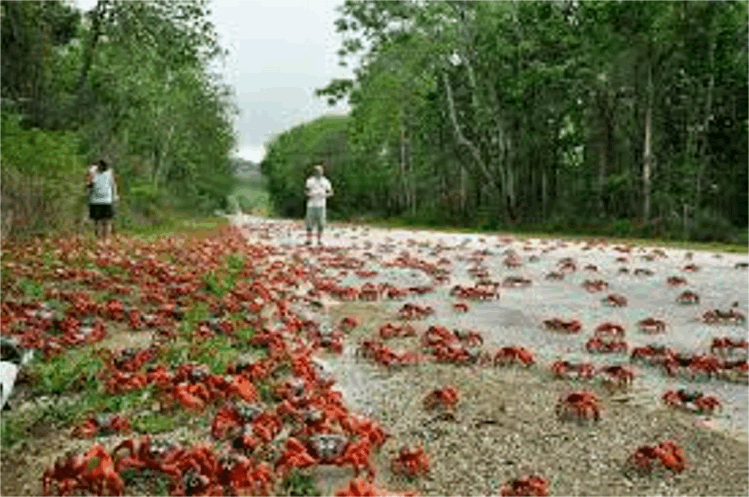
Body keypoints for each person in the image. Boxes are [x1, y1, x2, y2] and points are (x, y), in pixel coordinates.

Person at [88, 159, 118, 242]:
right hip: (95, 200)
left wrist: (114, 196)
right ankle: (99, 239)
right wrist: (91, 172)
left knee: (107, 221)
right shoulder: (93, 172)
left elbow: (113, 185)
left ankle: (106, 238)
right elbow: (88, 183)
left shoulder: (109, 173)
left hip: (107, 200)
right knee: (97, 222)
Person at [304, 164, 333, 246]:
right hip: (311, 204)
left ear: (322, 172)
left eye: (320, 171)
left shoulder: (326, 181)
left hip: (321, 204)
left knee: (321, 223)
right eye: (317, 171)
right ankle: (308, 239)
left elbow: (331, 192)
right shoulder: (310, 181)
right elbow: (306, 191)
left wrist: (325, 195)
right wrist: (309, 194)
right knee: (309, 222)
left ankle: (319, 239)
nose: (318, 172)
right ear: (314, 172)